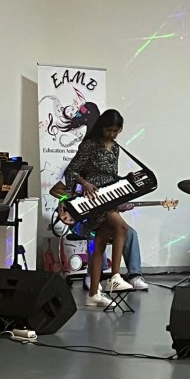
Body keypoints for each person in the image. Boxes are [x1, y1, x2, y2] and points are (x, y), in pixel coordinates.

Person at [63, 109, 134, 307]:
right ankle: (115, 276)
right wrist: (84, 184)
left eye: (116, 131)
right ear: (102, 127)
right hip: (94, 198)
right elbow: (72, 171)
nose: (112, 134)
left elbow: (111, 175)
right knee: (122, 228)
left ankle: (94, 293)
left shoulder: (116, 148)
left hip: (110, 196)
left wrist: (126, 182)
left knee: (100, 244)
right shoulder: (90, 145)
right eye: (109, 130)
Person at [49, 181, 149, 290]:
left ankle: (134, 275)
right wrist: (73, 199)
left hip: (104, 220)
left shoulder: (109, 181)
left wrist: (121, 206)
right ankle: (92, 274)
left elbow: (115, 206)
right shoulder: (75, 176)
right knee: (93, 234)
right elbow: (54, 190)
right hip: (81, 223)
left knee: (130, 233)